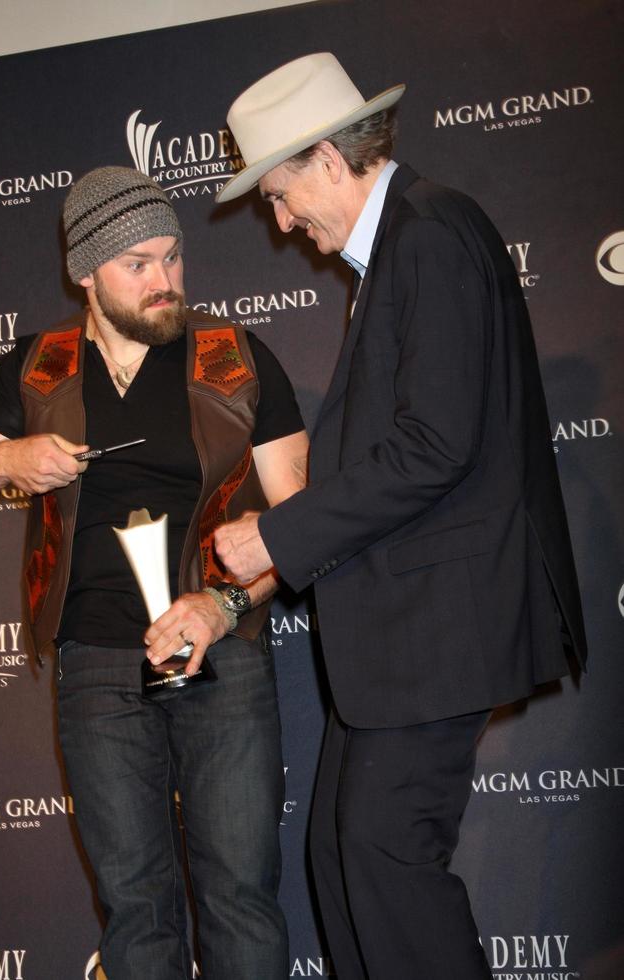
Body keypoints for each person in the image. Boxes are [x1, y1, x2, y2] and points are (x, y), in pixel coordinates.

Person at [213, 53, 587, 980]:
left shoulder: (428, 235)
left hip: (437, 627)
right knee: (344, 862)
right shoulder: (402, 250)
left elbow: (436, 445)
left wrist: (278, 532)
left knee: (381, 860)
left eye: (281, 193)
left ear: (330, 162)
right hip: (403, 633)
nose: (283, 219)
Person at [0, 165, 309, 980]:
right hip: (94, 663)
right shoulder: (35, 367)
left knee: (241, 897)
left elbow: (300, 523)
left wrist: (222, 605)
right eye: (139, 265)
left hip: (220, 651)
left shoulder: (236, 358)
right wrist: (10, 458)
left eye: (173, 258)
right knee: (135, 905)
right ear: (85, 272)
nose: (165, 282)